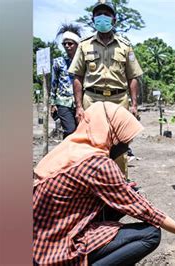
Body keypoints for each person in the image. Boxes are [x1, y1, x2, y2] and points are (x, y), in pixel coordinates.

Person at [33, 102, 175, 265]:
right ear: (111, 132)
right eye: (123, 140)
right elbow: (147, 212)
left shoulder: (70, 147)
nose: (125, 148)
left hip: (37, 240)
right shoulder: (97, 163)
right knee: (150, 235)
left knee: (120, 204)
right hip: (55, 250)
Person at [68, 0, 143, 179]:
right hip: (92, 99)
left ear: (114, 19)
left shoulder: (125, 46)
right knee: (90, 143)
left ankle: (120, 183)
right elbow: (77, 77)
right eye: (98, 14)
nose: (102, 18)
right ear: (93, 19)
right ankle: (93, 185)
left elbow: (133, 77)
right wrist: (78, 106)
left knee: (119, 144)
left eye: (106, 14)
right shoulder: (84, 45)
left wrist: (134, 105)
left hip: (119, 100)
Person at [50, 23, 82, 139]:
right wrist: (52, 103)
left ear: (77, 44)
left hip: (80, 102)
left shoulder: (83, 62)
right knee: (70, 130)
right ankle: (66, 154)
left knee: (80, 130)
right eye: (65, 44)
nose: (67, 46)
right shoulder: (58, 62)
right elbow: (54, 83)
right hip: (63, 102)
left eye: (70, 43)